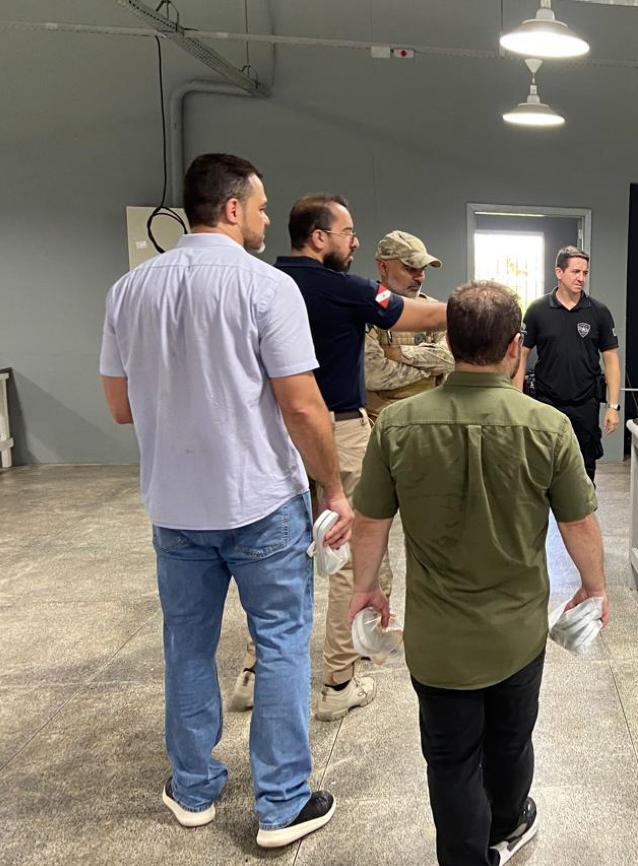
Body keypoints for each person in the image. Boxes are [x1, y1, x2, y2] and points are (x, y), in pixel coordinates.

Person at [99, 153, 344, 847]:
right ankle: (282, 804)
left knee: (187, 645)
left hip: (175, 509)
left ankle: (193, 787)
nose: (266, 219)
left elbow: (120, 407)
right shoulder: (266, 287)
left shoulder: (128, 291)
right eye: (261, 208)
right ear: (233, 208)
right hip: (260, 502)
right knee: (281, 643)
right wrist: (333, 487)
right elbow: (302, 406)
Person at [347, 279, 610, 866]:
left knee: (451, 760)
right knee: (510, 743)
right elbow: (579, 524)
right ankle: (507, 823)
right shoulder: (548, 426)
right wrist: (594, 588)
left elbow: (370, 521)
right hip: (516, 637)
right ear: (515, 347)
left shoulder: (396, 425)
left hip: (437, 642)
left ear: (449, 342)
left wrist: (365, 590)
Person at [229, 194, 447, 722]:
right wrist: (477, 308)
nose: (355, 241)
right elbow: (417, 322)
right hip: (339, 429)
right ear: (319, 237)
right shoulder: (346, 289)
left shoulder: (259, 284)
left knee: (276, 557)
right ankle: (338, 681)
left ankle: (255, 674)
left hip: (272, 433)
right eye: (348, 233)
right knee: (348, 555)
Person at [513, 246, 621, 483]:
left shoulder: (599, 312)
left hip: (586, 405)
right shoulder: (537, 310)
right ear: (559, 272)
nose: (581, 278)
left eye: (585, 273)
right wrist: (517, 400)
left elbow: (611, 359)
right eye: (575, 272)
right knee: (545, 470)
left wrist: (613, 406)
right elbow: (520, 356)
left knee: (584, 473)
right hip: (547, 404)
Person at [363, 230, 454, 419]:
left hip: (431, 418)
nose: (420, 277)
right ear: (383, 267)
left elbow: (451, 358)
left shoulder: (434, 310)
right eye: (411, 269)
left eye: (423, 269)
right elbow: (373, 374)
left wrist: (397, 353)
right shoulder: (366, 309)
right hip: (384, 421)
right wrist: (431, 368)